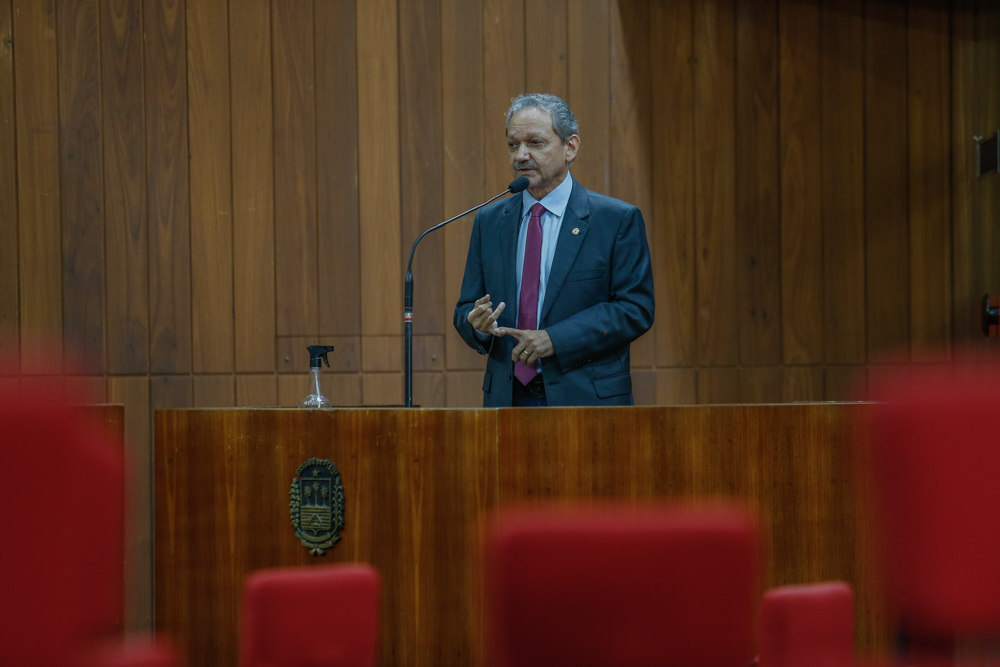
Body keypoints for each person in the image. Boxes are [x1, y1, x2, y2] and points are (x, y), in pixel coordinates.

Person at [453, 93, 654, 406]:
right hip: (507, 400)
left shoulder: (615, 220)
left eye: (535, 143)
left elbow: (635, 309)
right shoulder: (490, 221)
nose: (520, 155)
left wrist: (554, 340)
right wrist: (477, 324)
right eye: (512, 144)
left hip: (587, 399)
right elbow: (465, 308)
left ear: (569, 148)